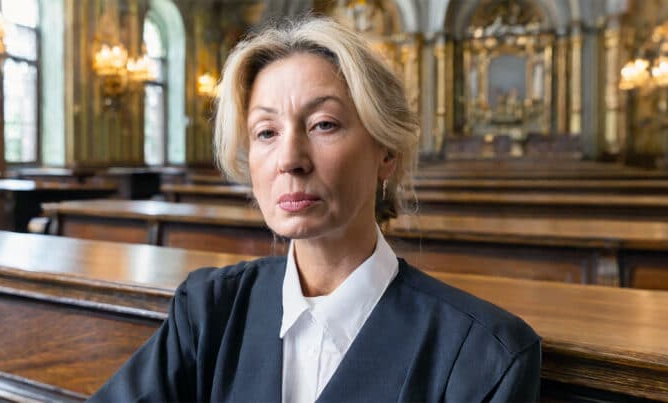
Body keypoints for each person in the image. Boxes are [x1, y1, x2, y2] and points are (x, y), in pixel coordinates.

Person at [88, 16, 541, 402]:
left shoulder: (486, 354)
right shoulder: (208, 309)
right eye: (266, 132)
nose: (290, 159)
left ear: (387, 151)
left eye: (324, 124)